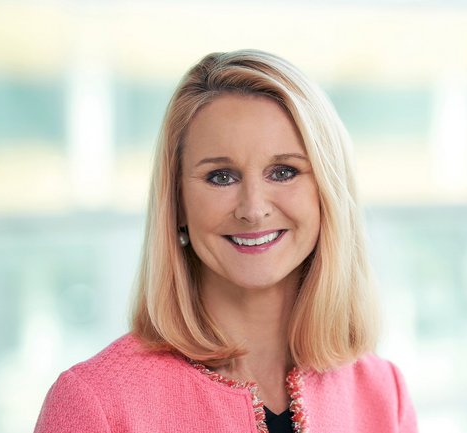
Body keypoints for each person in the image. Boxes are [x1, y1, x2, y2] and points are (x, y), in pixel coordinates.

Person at [34, 49, 417, 433]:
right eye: (221, 177)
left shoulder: (383, 392)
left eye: (283, 172)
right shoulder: (95, 401)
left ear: (327, 193)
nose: (253, 209)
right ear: (177, 203)